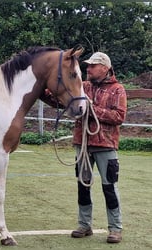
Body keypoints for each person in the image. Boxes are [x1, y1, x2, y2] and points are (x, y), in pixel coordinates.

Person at [41, 52, 127, 243]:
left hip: (106, 145)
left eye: (92, 66)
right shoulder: (84, 86)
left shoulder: (117, 89)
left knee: (109, 187)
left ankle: (115, 228)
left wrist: (91, 109)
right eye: (87, 66)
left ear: (105, 68)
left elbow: (119, 117)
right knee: (83, 187)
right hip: (83, 144)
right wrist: (42, 91)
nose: (88, 69)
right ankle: (84, 224)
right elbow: (60, 100)